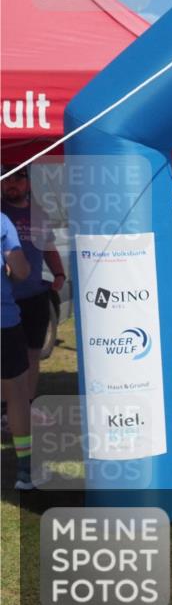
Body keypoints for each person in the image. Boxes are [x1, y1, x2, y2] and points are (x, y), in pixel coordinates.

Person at [1, 165, 66, 403]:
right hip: (6, 301)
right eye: (6, 178)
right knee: (6, 360)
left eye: (18, 177)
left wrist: (59, 274)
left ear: (28, 183)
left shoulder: (39, 214)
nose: (11, 183)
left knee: (32, 355)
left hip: (35, 297)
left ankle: (27, 405)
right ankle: (6, 409)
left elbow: (48, 247)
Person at [2, 212, 35, 489]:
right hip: (3, 323)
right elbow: (22, 270)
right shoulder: (2, 222)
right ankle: (25, 470)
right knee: (17, 394)